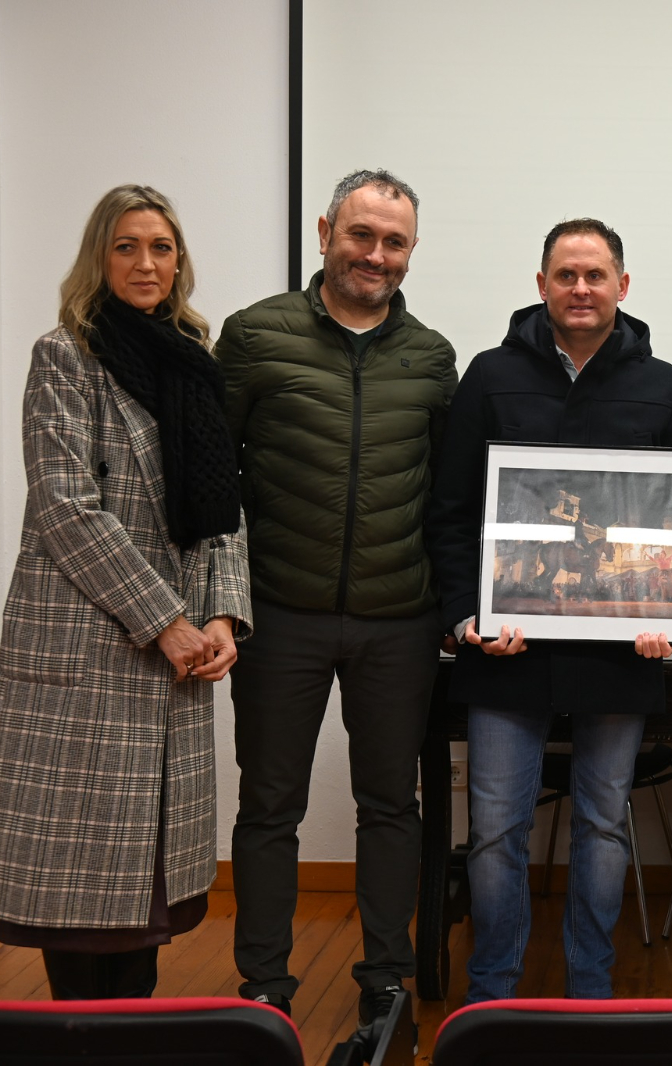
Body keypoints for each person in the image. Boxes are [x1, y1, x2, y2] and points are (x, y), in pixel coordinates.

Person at [426, 218, 672, 1002]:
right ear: (541, 284)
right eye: (566, 275)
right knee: (496, 834)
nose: (582, 289)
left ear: (623, 286)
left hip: (619, 652)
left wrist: (667, 612)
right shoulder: (487, 377)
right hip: (506, 648)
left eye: (596, 275)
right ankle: (492, 996)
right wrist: (463, 617)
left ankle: (589, 991)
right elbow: (449, 512)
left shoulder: (661, 384)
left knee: (606, 827)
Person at [0, 185, 250, 998]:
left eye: (162, 247)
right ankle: (82, 1038)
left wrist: (219, 615)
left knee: (144, 899)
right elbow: (68, 509)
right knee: (77, 894)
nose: (147, 263)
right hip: (86, 650)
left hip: (174, 657)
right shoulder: (64, 355)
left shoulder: (193, 358)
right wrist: (166, 621)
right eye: (128, 247)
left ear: (181, 261)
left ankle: (123, 1036)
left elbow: (223, 504)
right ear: (98, 259)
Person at [217, 170, 457, 1021]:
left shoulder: (432, 357)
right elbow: (217, 481)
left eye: (395, 242)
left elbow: (443, 493)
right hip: (279, 614)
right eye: (362, 235)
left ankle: (384, 984)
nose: (377, 255)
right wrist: (222, 599)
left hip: (399, 621)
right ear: (325, 231)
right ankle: (264, 989)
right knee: (268, 806)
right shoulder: (254, 336)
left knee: (392, 805)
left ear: (411, 250)